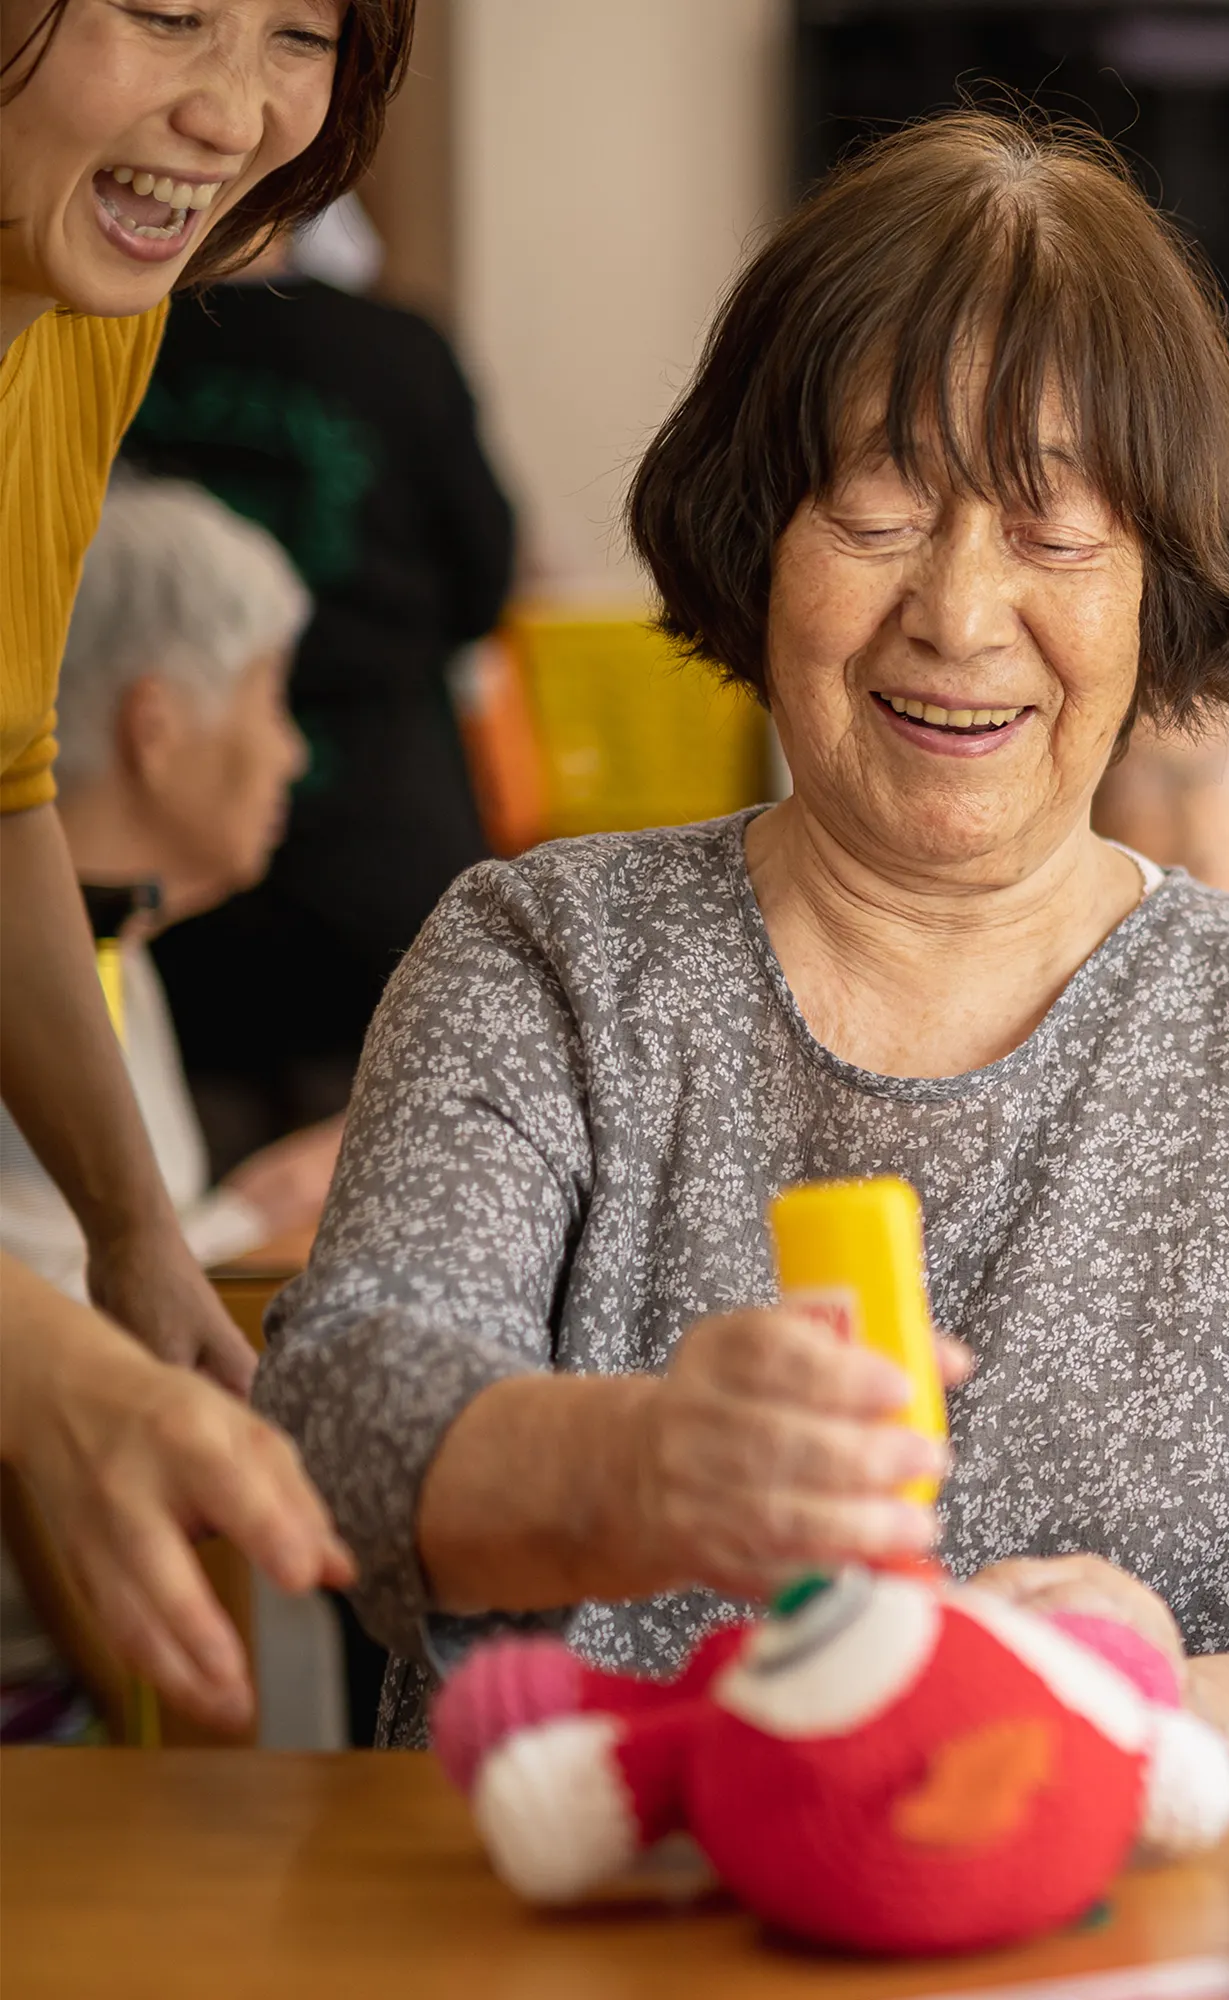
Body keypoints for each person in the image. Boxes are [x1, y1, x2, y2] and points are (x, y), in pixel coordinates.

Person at [255, 112, 1229, 1755]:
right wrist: (645, 1466)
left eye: (1052, 527)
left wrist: (1114, 1707)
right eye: (878, 509)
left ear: (1160, 583)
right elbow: (343, 1430)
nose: (957, 610)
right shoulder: (544, 960)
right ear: (757, 533)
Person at [0, 0, 410, 1730]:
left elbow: (3, 786)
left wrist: (134, 1237)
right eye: (165, 11)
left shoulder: (86, 323)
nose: (235, 111)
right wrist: (34, 1362)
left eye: (300, 35)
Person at [123, 203, 515, 1168]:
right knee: (392, 1213)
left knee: (189, 1225)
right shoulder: (394, 350)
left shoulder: (105, 343)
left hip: (165, 854)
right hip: (380, 846)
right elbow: (484, 583)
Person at [0, 477, 332, 1290]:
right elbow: (66, 1305)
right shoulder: (36, 964)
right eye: (271, 697)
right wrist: (272, 1213)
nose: (294, 755)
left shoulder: (116, 940)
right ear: (155, 727)